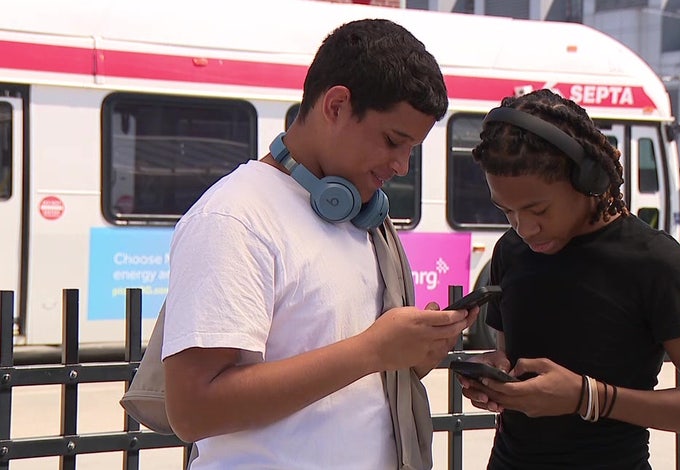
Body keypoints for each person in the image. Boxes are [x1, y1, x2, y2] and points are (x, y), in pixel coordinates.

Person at [160, 19, 478, 469]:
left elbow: (351, 381)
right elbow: (193, 411)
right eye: (393, 141)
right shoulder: (235, 217)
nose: (402, 165)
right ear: (336, 104)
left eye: (413, 149)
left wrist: (411, 348)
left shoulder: (362, 218)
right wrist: (373, 350)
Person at [460, 89, 680, 469]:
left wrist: (588, 397)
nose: (524, 227)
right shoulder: (511, 252)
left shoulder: (654, 262)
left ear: (588, 180)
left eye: (537, 209)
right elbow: (513, 358)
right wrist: (499, 378)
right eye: (506, 211)